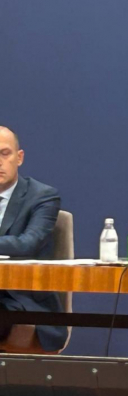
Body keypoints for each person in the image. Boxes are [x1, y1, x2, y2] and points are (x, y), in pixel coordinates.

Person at [0, 126, 65, 352]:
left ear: (19, 158)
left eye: (4, 153)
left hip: (21, 299)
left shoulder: (42, 196)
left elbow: (29, 243)